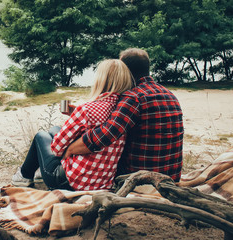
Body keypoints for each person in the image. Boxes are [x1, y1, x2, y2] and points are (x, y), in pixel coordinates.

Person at [12, 59, 134, 190]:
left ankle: (24, 176)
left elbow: (56, 149)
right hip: (102, 181)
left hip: (70, 182)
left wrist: (76, 117)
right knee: (55, 129)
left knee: (41, 136)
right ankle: (33, 173)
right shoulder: (123, 114)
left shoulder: (87, 109)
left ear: (100, 80)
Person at [64, 48, 184, 182]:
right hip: (171, 178)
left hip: (141, 180)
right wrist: (81, 114)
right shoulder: (168, 94)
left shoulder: (134, 97)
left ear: (124, 70)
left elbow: (103, 136)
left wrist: (70, 149)